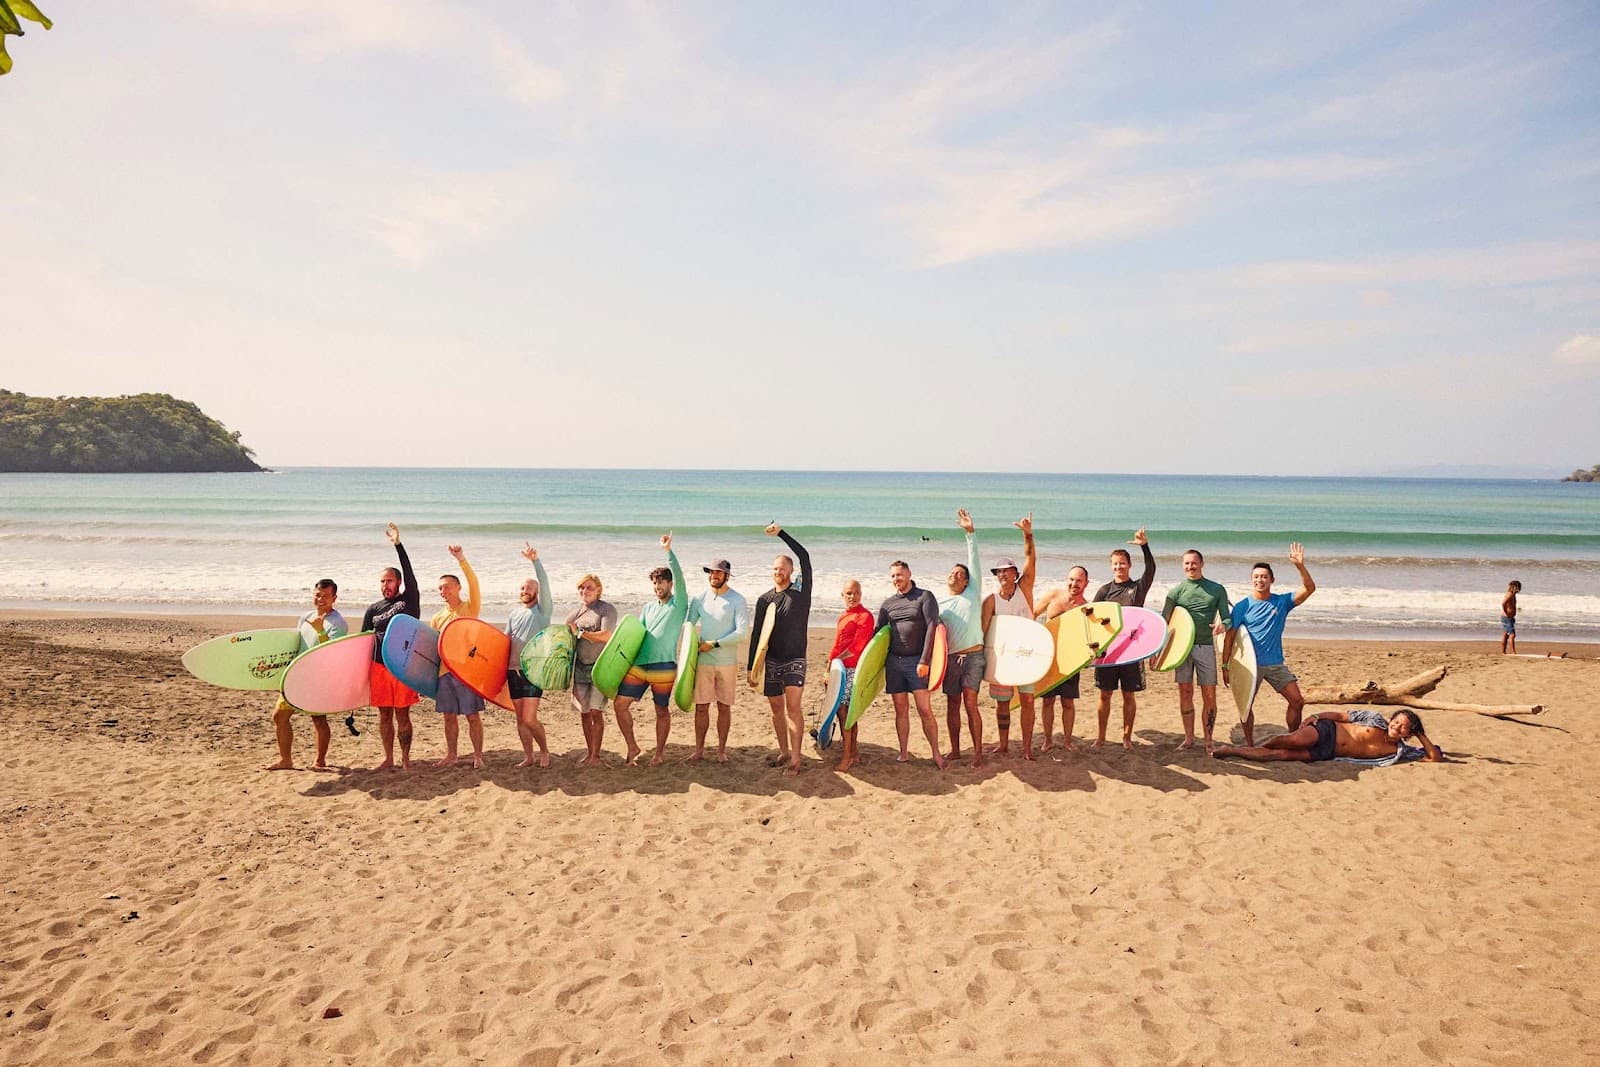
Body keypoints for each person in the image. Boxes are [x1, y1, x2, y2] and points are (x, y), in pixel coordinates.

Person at [1222, 543, 1316, 739]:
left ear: (1272, 580)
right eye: (1256, 577)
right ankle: (1249, 744)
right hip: (1249, 665)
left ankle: (1293, 737)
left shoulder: (1282, 602)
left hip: (1275, 663)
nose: (1260, 580)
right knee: (1245, 707)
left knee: (1297, 701)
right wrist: (1225, 665)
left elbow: (1309, 588)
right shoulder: (1242, 606)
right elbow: (1230, 636)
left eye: (1264, 577)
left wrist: (1300, 566)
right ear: (1251, 580)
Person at [616, 533, 686, 767]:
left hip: (663, 665)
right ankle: (632, 745)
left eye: (661, 582)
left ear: (669, 584)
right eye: (654, 583)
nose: (657, 586)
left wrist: (668, 552)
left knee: (661, 710)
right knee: (620, 705)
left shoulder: (678, 605)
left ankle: (659, 752)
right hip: (639, 665)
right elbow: (636, 635)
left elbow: (680, 577)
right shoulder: (647, 607)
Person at [749, 523, 813, 775]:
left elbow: (805, 557)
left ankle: (796, 759)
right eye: (775, 569)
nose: (779, 572)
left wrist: (782, 534)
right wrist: (751, 668)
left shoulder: (801, 595)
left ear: (791, 571)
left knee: (793, 708)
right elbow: (758, 634)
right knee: (776, 709)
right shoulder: (765, 600)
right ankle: (784, 751)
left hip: (795, 658)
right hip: (772, 660)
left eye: (783, 568)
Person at [264, 579, 346, 770]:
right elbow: (295, 646)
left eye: (326, 596)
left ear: (334, 598)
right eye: (318, 595)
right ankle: (286, 760)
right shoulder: (305, 617)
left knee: (318, 719)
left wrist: (320, 631)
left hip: (318, 678)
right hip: (296, 675)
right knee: (279, 716)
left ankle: (320, 760)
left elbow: (334, 652)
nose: (321, 599)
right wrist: (280, 671)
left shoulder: (337, 623)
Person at [361, 523, 420, 770]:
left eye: (390, 580)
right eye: (382, 581)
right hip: (379, 667)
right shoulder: (373, 609)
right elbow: (362, 640)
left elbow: (409, 572)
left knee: (402, 714)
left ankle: (405, 759)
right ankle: (389, 758)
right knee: (384, 715)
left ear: (399, 582)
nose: (386, 585)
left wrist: (398, 544)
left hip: (402, 665)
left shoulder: (409, 600)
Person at [876, 560, 946, 769]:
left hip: (917, 661)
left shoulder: (925, 596)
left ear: (909, 574)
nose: (896, 579)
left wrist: (925, 660)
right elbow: (878, 634)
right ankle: (904, 752)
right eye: (893, 576)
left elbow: (933, 626)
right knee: (900, 709)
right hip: (894, 663)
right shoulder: (887, 604)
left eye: (899, 575)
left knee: (924, 710)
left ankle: (936, 753)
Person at [1161, 549, 1232, 752]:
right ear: (1183, 566)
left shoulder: (1216, 589)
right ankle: (1189, 738)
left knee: (1209, 695)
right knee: (1185, 692)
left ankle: (1208, 739)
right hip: (1180, 649)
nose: (1190, 567)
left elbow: (1227, 617)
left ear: (1202, 564)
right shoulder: (1175, 592)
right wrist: (1159, 652)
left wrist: (1223, 626)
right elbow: (1165, 623)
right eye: (1186, 564)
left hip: (1205, 647)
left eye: (1194, 563)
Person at [1091, 528, 1156, 750]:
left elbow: (1152, 570)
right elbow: (1092, 619)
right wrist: (1095, 651)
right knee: (1105, 695)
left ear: (1129, 565)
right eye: (1115, 564)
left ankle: (1126, 737)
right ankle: (1101, 737)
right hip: (1109, 652)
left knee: (1129, 695)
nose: (1119, 567)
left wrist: (1144, 546)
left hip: (1132, 652)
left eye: (1122, 563)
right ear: (1111, 566)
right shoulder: (1104, 591)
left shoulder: (1137, 588)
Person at [984, 514, 1038, 758]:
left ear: (1015, 573)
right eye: (999, 572)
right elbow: (985, 632)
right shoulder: (991, 600)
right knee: (1002, 703)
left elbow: (1030, 558)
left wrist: (1027, 534)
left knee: (1027, 701)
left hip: (1027, 654)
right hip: (1003, 658)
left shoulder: (1024, 589)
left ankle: (1026, 748)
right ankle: (1004, 744)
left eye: (1007, 571)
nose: (1003, 575)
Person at [686, 557, 750, 763]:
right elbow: (688, 626)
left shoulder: (737, 600)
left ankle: (721, 751)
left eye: (718, 573)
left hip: (727, 661)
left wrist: (714, 644)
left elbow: (742, 633)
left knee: (724, 706)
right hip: (703, 661)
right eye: (711, 572)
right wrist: (690, 648)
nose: (714, 576)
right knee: (701, 706)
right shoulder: (699, 599)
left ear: (727, 575)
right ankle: (699, 750)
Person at [937, 509, 986, 768]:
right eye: (952, 573)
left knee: (970, 701)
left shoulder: (972, 594)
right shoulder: (939, 602)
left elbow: (974, 561)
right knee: (952, 703)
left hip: (974, 656)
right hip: (951, 658)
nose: (954, 575)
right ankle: (956, 750)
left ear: (967, 581)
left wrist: (970, 533)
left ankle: (978, 753)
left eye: (960, 574)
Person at [1213, 708, 1441, 763]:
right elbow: (1342, 714)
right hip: (1327, 730)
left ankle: (1232, 751)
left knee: (1281, 755)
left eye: (1404, 727)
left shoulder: (1399, 751)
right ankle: (1258, 745)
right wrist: (1315, 715)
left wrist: (1421, 734)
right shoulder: (1375, 719)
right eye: (1397, 721)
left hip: (1327, 753)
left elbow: (1434, 758)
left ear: (1409, 733)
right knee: (1291, 740)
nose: (1397, 727)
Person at [430, 545, 486, 768]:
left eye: (447, 587)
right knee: (449, 716)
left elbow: (475, 582)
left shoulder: (469, 608)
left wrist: (461, 559)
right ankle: (452, 754)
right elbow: (433, 649)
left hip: (466, 672)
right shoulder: (437, 617)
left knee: (472, 715)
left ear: (458, 587)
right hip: (445, 673)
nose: (444, 592)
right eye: (440, 589)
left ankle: (478, 756)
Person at [505, 542, 553, 768]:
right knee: (519, 719)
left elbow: (544, 583)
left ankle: (544, 751)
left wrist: (535, 561)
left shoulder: (542, 613)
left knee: (529, 718)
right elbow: (503, 643)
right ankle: (529, 756)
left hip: (533, 671)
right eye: (523, 588)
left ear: (537, 593)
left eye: (529, 589)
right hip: (512, 672)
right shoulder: (514, 614)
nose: (525, 591)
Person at [1032, 565, 1089, 752]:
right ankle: (1047, 740)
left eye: (1079, 580)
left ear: (1086, 583)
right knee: (1047, 701)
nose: (1074, 583)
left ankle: (1067, 740)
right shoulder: (1054, 596)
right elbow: (1033, 613)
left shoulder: (1086, 607)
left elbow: (1087, 637)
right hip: (1048, 656)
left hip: (1070, 659)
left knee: (1067, 702)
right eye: (1071, 579)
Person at [566, 573, 618, 766]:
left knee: (596, 712)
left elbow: (605, 635)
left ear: (598, 590)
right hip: (580, 669)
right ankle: (589, 752)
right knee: (584, 713)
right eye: (582, 588)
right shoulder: (576, 613)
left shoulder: (606, 609)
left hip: (599, 668)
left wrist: (580, 633)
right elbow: (564, 635)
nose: (584, 591)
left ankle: (596, 756)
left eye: (589, 587)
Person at [827, 579, 875, 772]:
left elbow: (857, 647)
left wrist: (836, 662)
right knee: (843, 712)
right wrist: (828, 667)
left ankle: (847, 757)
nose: (852, 596)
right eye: (848, 593)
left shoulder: (865, 616)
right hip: (839, 669)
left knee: (846, 713)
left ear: (861, 594)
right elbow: (836, 644)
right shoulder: (843, 616)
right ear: (842, 595)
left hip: (853, 670)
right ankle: (853, 753)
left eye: (855, 593)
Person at [1501, 580, 1521, 654]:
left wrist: (1515, 609)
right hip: (1507, 617)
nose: (1519, 590)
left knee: (1506, 634)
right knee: (1512, 634)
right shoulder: (1509, 594)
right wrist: (1506, 612)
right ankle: (1513, 652)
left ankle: (1503, 652)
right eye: (1518, 587)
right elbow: (1503, 603)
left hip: (1508, 617)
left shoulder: (1512, 594)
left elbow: (1510, 605)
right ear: (1515, 587)